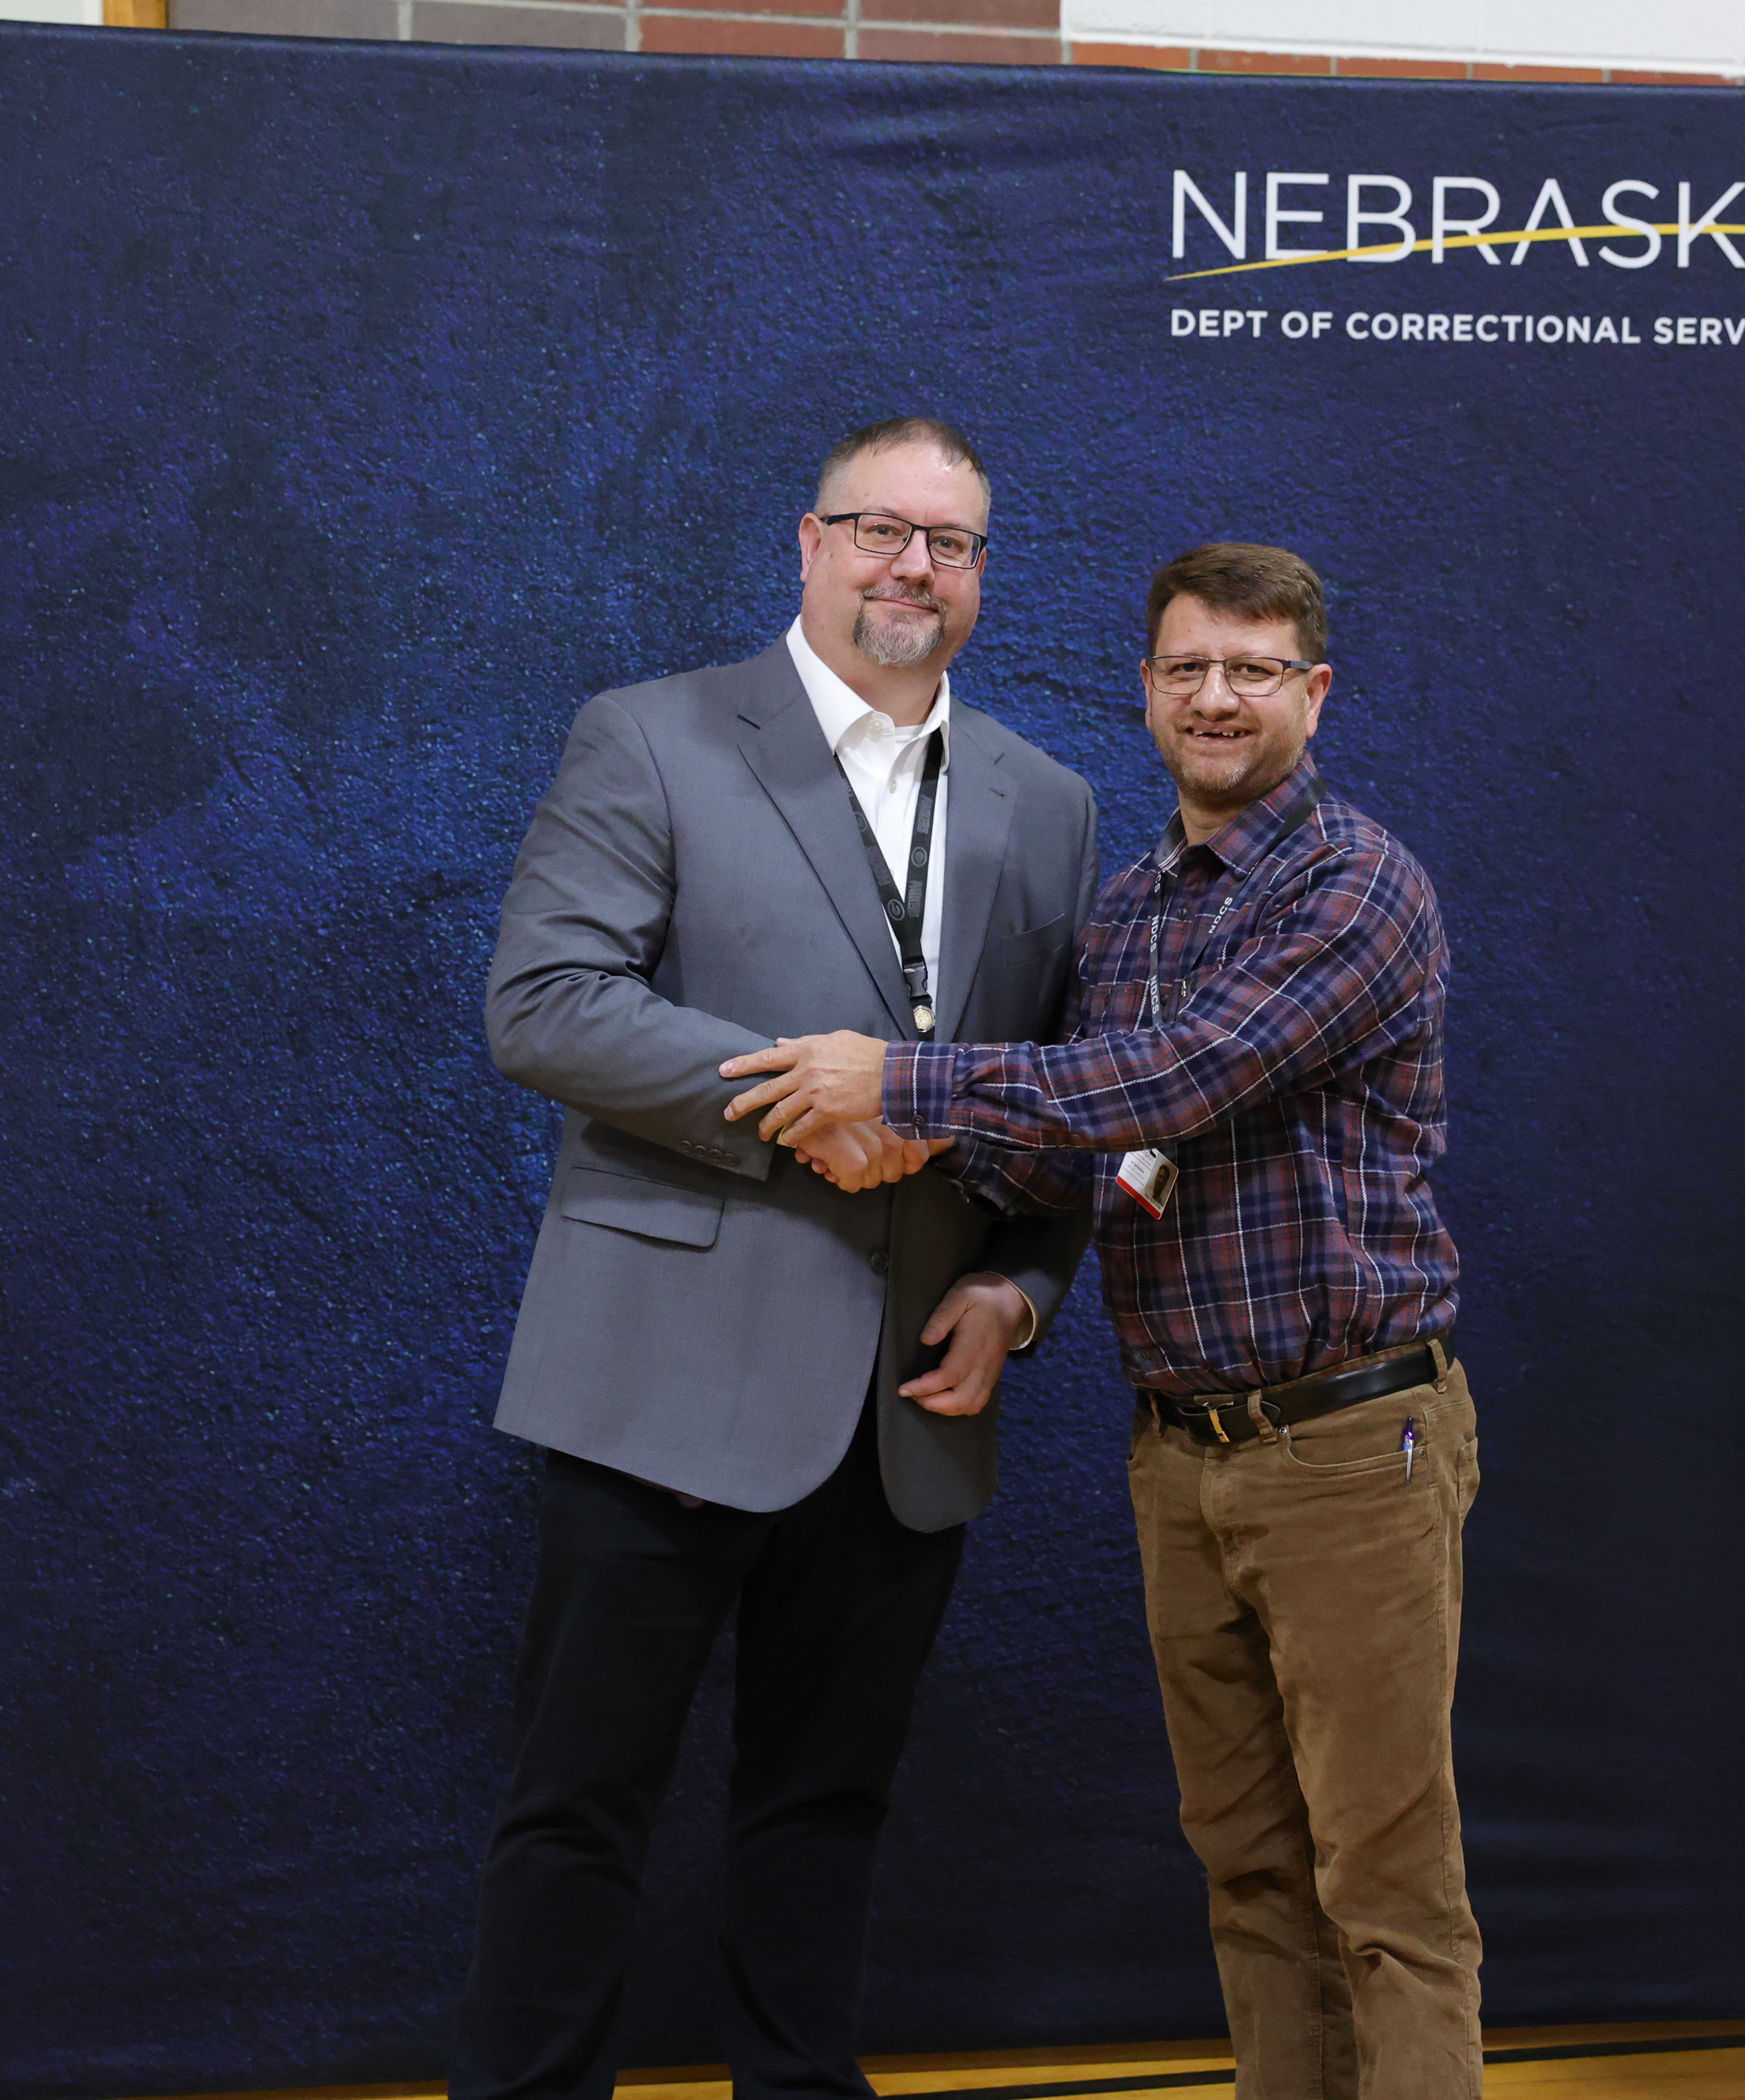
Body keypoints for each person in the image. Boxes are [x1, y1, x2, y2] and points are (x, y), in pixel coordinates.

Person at [720, 543, 1478, 2100]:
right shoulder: (1129, 910)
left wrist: (895, 1081)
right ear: (1145, 689)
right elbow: (1085, 1147)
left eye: (1253, 669)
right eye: (1189, 667)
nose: (1217, 697)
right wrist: (974, 1242)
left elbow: (1173, 1080)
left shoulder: (1358, 887)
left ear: (1315, 692)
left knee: (1385, 1889)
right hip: (1182, 1454)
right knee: (1249, 1869)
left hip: (1348, 1446)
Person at [457, 417, 1099, 2100]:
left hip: (905, 1413)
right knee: (577, 1807)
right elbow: (545, 1004)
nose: (913, 566)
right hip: (660, 1384)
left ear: (982, 574)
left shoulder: (1050, 804)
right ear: (807, 545)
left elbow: (1066, 1095)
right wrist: (801, 1108)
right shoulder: (652, 736)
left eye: (949, 542)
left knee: (827, 1811)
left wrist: (1024, 1287)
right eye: (879, 529)